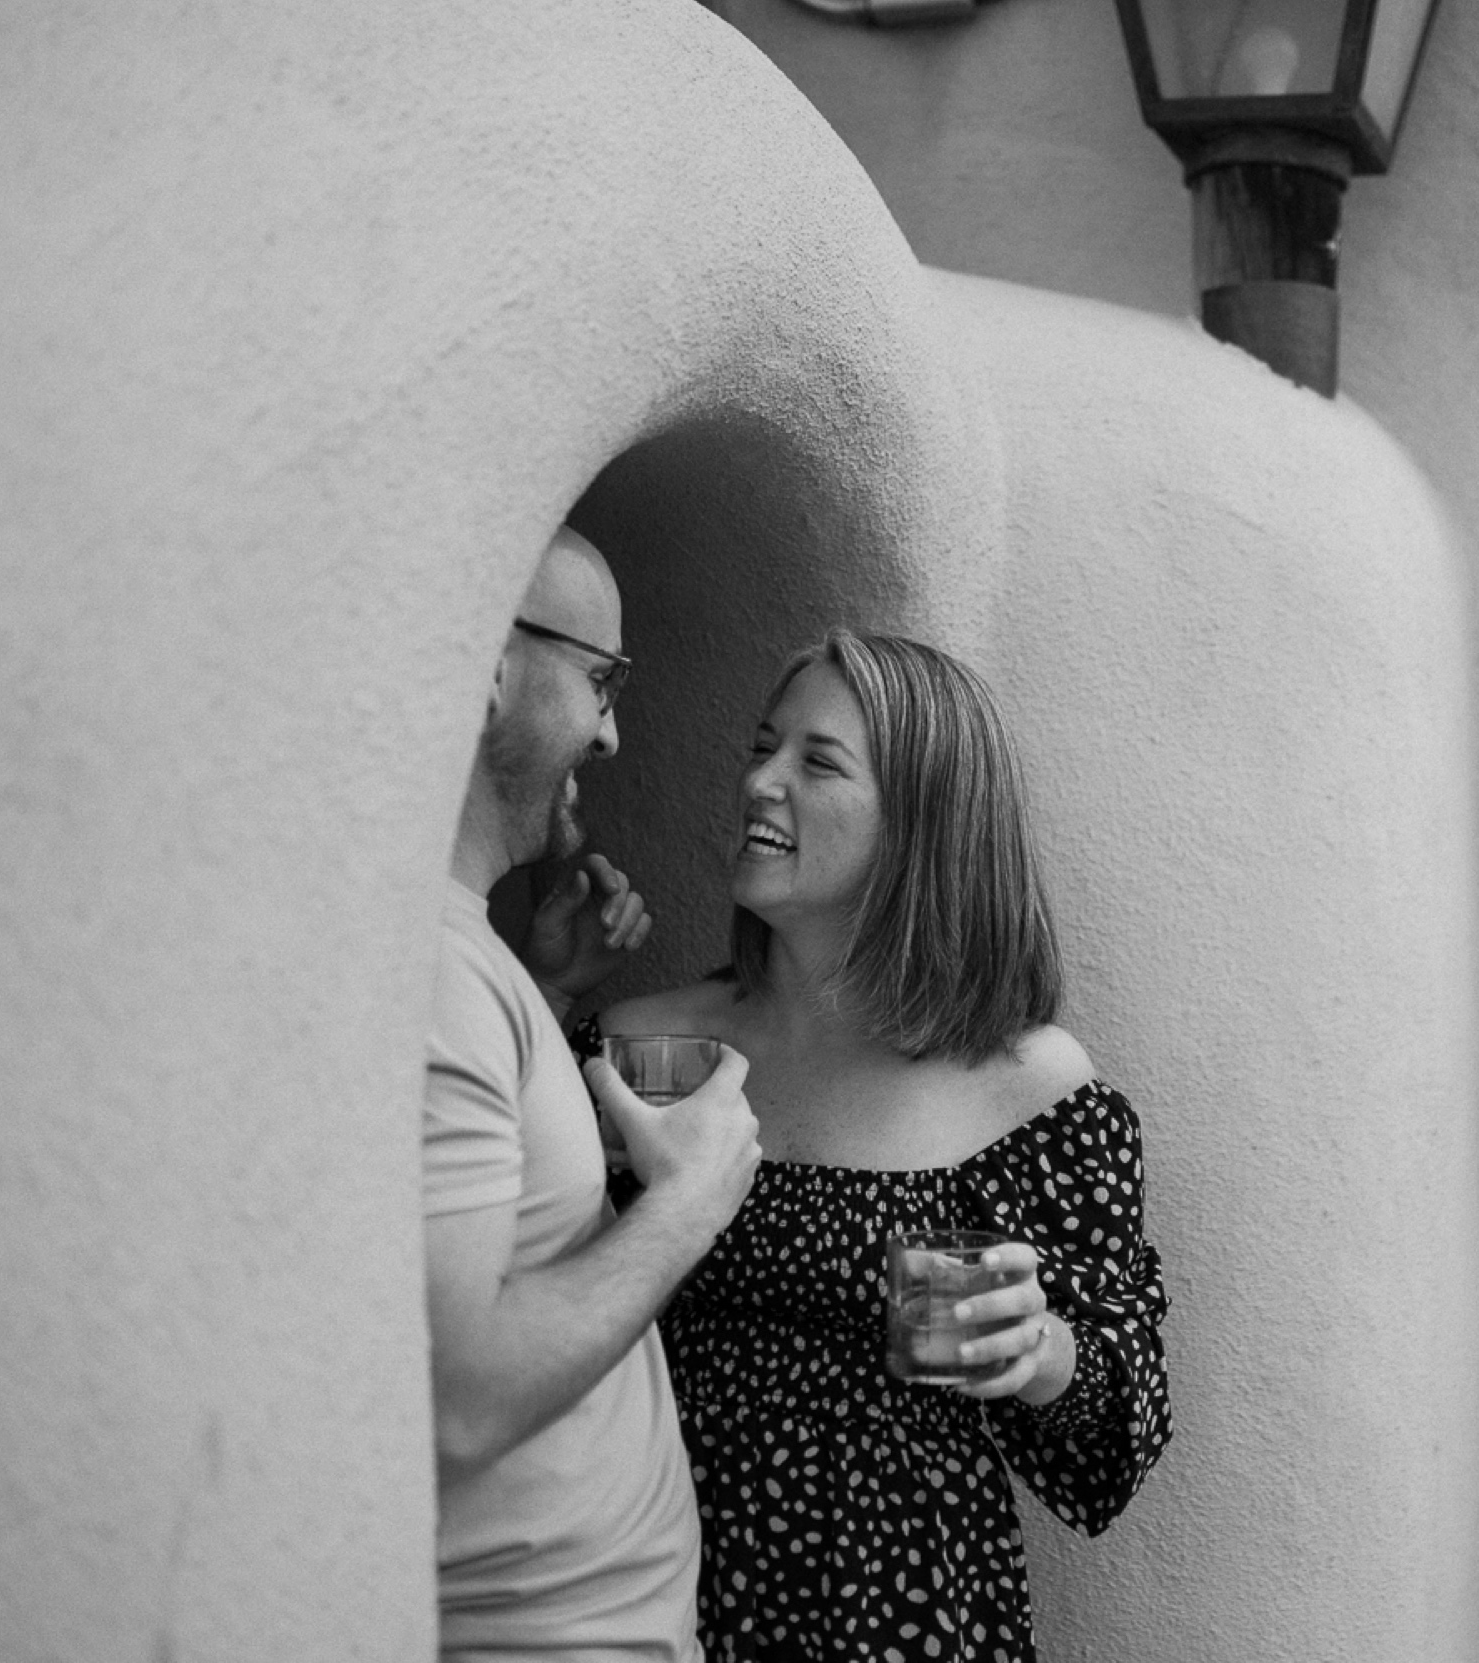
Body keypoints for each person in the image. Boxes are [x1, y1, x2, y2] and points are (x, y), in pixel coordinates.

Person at [600, 628, 1171, 1663]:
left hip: (906, 1616)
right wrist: (548, 994)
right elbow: (537, 1286)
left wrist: (1035, 1350)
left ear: (921, 825)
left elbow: (1113, 1454)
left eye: (816, 763)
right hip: (649, 1597)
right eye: (762, 746)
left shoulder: (1026, 1090)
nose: (759, 780)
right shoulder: (648, 1046)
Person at [422, 525, 764, 1662]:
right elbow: (459, 1398)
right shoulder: (430, 969)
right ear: (490, 665)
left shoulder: (466, 963)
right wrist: (691, 1201)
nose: (614, 732)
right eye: (601, 679)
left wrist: (544, 988)